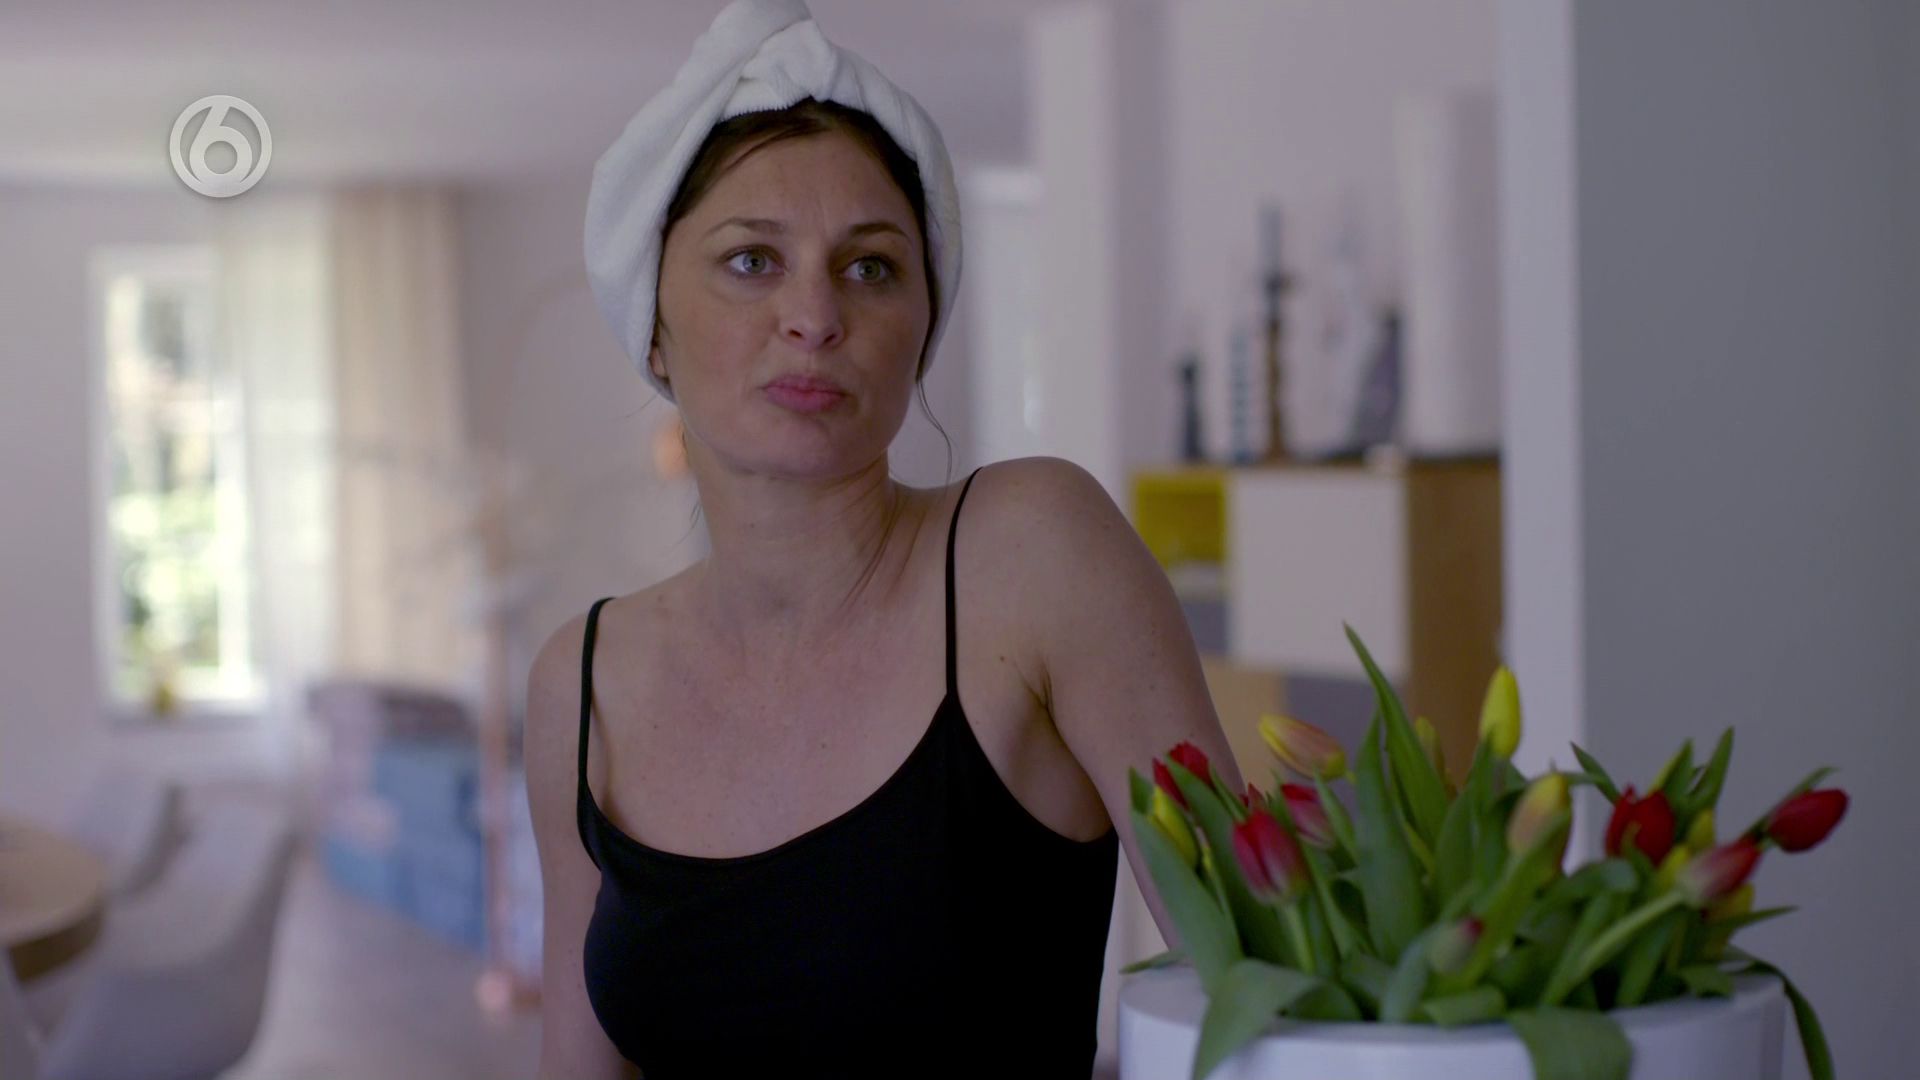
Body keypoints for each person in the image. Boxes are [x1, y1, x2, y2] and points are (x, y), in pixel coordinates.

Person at [527, 3, 1240, 1076]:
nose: (815, 315)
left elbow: (1267, 982)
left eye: (869, 268)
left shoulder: (1034, 556)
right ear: (654, 328)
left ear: (922, 326)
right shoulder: (580, 684)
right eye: (751, 261)